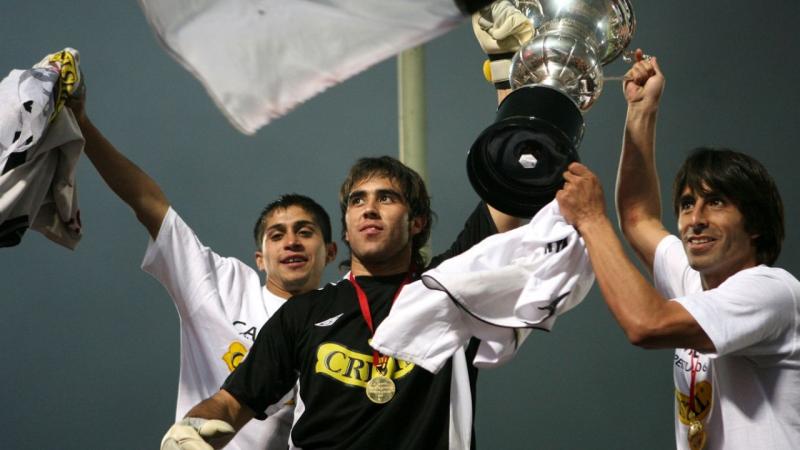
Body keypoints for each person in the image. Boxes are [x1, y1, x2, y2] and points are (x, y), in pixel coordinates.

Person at [161, 155, 523, 449]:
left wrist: (517, 95)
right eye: (357, 200)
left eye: (386, 198)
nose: (369, 209)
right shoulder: (303, 312)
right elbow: (230, 403)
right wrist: (189, 431)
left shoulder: (450, 288)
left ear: (417, 222)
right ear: (346, 230)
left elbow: (510, 181)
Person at [67, 86, 337, 450]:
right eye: (277, 235)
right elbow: (147, 202)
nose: (291, 242)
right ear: (260, 258)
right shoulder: (222, 285)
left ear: (330, 252)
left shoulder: (347, 317)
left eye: (305, 232)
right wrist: (82, 123)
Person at [556, 51, 800, 449]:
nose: (695, 219)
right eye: (687, 204)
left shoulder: (771, 291)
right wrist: (641, 110)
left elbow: (646, 324)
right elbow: (638, 217)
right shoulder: (694, 283)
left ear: (755, 224)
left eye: (715, 202)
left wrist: (591, 219)